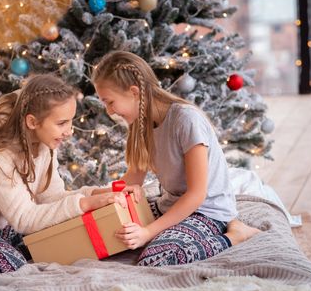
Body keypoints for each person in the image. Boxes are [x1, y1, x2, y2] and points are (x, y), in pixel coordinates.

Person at [0, 74, 131, 277]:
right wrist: (85, 204)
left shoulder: (44, 140)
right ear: (32, 122)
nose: (70, 131)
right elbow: (24, 219)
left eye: (70, 121)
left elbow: (51, 198)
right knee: (7, 261)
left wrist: (100, 193)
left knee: (53, 242)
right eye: (61, 123)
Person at [91, 51, 261, 266]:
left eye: (110, 102)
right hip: (171, 205)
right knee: (110, 229)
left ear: (134, 92)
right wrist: (93, 197)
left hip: (206, 212)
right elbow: (133, 179)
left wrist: (147, 232)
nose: (108, 111)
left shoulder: (186, 120)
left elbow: (197, 195)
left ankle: (235, 235)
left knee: (156, 259)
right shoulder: (140, 123)